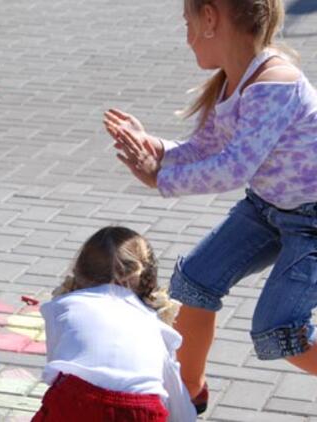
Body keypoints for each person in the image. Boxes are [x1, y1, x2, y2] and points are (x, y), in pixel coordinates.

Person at [104, 0, 317, 414]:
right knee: (193, 283)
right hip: (268, 207)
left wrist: (159, 177)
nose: (186, 37)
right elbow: (208, 148)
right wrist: (156, 149)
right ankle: (189, 392)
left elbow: (233, 168)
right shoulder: (237, 80)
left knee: (278, 329)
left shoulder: (275, 83)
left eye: (187, 22)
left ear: (210, 18)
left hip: (311, 221)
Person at [33, 226, 197, 422]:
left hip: (76, 400)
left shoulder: (63, 305)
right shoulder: (152, 322)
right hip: (140, 409)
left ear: (79, 272)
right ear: (146, 277)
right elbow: (174, 391)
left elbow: (56, 366)